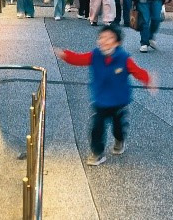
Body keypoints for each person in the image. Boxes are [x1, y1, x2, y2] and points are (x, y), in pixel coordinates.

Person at [55, 25, 154, 166]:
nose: (104, 41)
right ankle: (97, 153)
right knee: (97, 127)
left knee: (118, 126)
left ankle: (120, 140)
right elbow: (79, 59)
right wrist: (65, 55)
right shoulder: (95, 55)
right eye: (101, 37)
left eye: (109, 38)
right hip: (100, 100)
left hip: (119, 101)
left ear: (117, 43)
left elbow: (137, 71)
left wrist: (148, 80)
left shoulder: (124, 58)